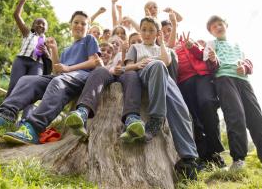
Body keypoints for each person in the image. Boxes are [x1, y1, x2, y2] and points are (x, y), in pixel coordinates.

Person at [0, 11, 102, 145]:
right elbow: (57, 69)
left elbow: (93, 61)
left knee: (58, 81)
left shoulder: (89, 39)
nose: (79, 25)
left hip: (82, 75)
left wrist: (68, 69)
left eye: (83, 24)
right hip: (65, 77)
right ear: (70, 25)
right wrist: (54, 49)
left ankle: (33, 128)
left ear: (88, 28)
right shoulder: (67, 49)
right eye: (76, 22)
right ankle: (5, 117)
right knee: (27, 80)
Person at [204, 15, 262, 182]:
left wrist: (244, 67)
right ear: (211, 31)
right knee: (236, 116)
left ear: (226, 25)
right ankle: (238, 160)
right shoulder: (211, 44)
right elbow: (209, 65)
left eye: (220, 24)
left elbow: (248, 62)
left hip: (243, 82)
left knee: (256, 118)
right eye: (214, 27)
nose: (218, 28)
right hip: (224, 79)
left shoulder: (237, 45)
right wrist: (214, 59)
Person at [125, 16, 200, 180]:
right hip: (144, 74)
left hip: (163, 76)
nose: (146, 33)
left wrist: (162, 43)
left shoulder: (161, 48)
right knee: (157, 65)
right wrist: (137, 65)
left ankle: (188, 159)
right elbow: (127, 66)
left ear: (157, 33)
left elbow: (166, 61)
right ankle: (156, 118)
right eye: (143, 29)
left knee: (181, 107)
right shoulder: (136, 47)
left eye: (151, 30)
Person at [64, 41, 144, 142]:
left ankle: (132, 118)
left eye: (109, 51)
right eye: (103, 50)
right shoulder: (100, 60)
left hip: (124, 75)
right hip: (106, 74)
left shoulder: (121, 57)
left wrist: (120, 67)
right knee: (99, 71)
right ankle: (82, 112)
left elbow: (125, 66)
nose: (106, 52)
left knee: (132, 75)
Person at [173, 31, 226, 169]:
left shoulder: (192, 42)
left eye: (170, 29)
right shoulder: (168, 46)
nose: (168, 32)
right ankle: (203, 156)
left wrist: (194, 47)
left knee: (207, 103)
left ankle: (215, 152)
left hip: (202, 76)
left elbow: (211, 62)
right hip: (183, 81)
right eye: (165, 30)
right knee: (194, 117)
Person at [7, 0, 51, 119]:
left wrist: (46, 51)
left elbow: (52, 59)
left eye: (44, 24)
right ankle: (6, 116)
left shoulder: (48, 41)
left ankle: (25, 121)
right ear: (33, 25)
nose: (41, 25)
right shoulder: (27, 33)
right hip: (22, 60)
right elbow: (16, 15)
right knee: (14, 86)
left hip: (37, 65)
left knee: (31, 91)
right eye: (38, 22)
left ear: (46, 28)